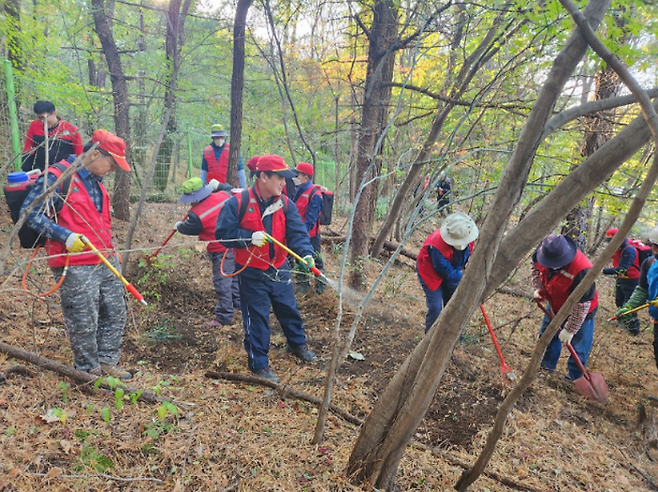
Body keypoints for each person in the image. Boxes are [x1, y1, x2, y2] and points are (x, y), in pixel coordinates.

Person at [21, 130, 131, 380]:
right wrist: (66, 236)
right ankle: (87, 372)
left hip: (105, 259)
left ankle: (106, 361)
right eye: (112, 164)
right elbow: (31, 214)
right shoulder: (59, 177)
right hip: (74, 264)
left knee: (115, 310)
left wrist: (111, 249)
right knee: (83, 319)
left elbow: (100, 221)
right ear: (95, 153)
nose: (112, 170)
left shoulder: (97, 182)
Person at [215, 154, 318, 383]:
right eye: (279, 178)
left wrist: (306, 253)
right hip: (251, 271)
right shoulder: (237, 203)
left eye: (285, 178)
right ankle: (259, 363)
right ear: (263, 177)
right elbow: (222, 235)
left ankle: (297, 344)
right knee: (257, 316)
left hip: (279, 267)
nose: (284, 183)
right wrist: (248, 237)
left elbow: (297, 233)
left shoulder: (286, 204)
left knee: (289, 308)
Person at [532, 234, 598, 381]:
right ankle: (546, 367)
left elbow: (583, 304)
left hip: (581, 311)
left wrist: (570, 329)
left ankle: (574, 379)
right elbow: (535, 268)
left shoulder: (582, 270)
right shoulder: (541, 253)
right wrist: (538, 287)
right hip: (554, 302)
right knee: (547, 336)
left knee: (578, 347)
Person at [175, 177, 240, 327]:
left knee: (222, 281)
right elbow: (233, 190)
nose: (190, 203)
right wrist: (221, 186)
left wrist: (179, 226)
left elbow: (188, 228)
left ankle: (223, 317)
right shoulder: (224, 195)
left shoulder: (196, 215)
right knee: (234, 277)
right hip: (235, 244)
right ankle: (238, 304)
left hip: (220, 250)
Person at [416, 212, 479, 333]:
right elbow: (444, 270)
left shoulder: (469, 236)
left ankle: (452, 334)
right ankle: (430, 337)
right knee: (435, 307)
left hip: (454, 273)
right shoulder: (436, 245)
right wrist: (464, 277)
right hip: (430, 273)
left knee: (454, 304)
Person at [617, 227, 658, 368]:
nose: (654, 249)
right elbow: (642, 290)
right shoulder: (649, 263)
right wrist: (629, 307)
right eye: (654, 245)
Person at [22, 100, 83, 172]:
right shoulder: (34, 126)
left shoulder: (70, 129)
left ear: (54, 113)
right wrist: (26, 171)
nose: (42, 121)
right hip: (41, 170)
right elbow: (29, 149)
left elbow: (79, 153)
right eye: (39, 118)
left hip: (63, 171)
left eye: (44, 117)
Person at [292, 162, 325, 295]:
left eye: (298, 174)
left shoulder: (315, 195)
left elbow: (311, 220)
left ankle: (320, 289)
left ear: (305, 177)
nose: (296, 177)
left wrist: (301, 235)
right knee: (300, 260)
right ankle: (302, 288)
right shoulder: (297, 190)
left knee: (316, 261)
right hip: (299, 234)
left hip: (311, 236)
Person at [602, 227, 640, 335]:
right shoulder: (618, 248)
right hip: (621, 279)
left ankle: (633, 330)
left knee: (628, 305)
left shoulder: (629, 250)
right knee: (619, 301)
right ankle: (623, 321)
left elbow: (623, 268)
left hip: (632, 280)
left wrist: (603, 271)